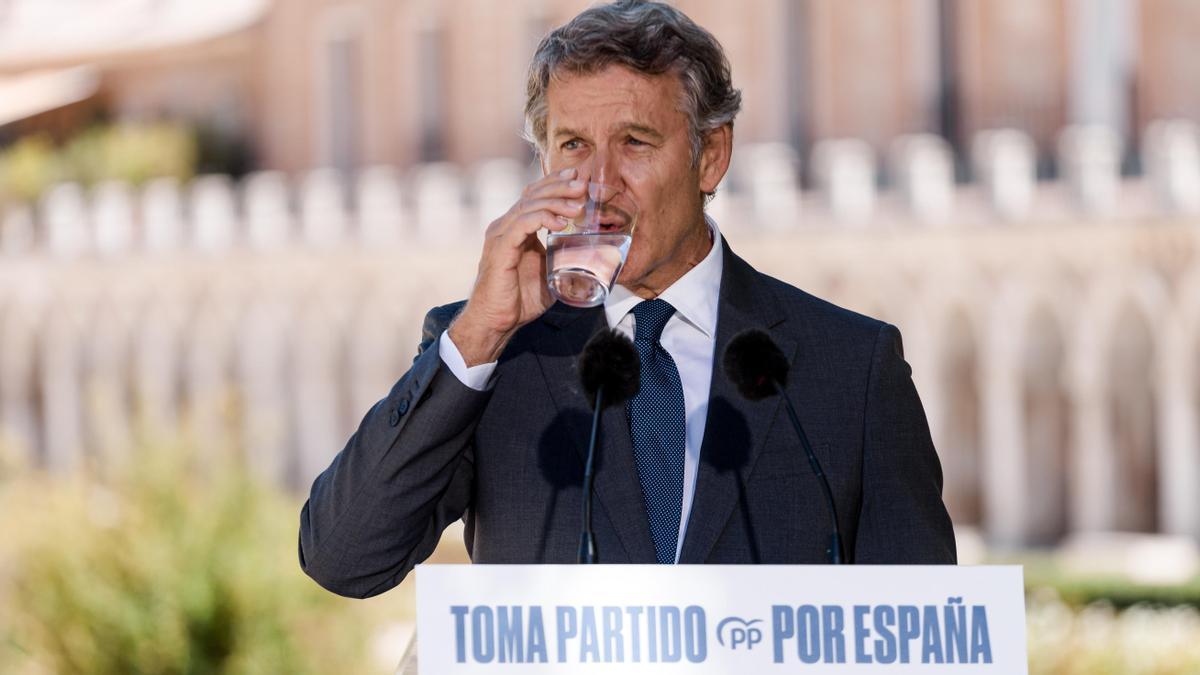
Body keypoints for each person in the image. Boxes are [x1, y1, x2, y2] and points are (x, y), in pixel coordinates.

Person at [299, 0, 955, 599]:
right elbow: (343, 557)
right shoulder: (493, 355)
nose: (600, 184)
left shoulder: (852, 366)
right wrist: (479, 334)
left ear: (711, 156)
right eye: (573, 146)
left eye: (635, 143)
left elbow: (924, 633)